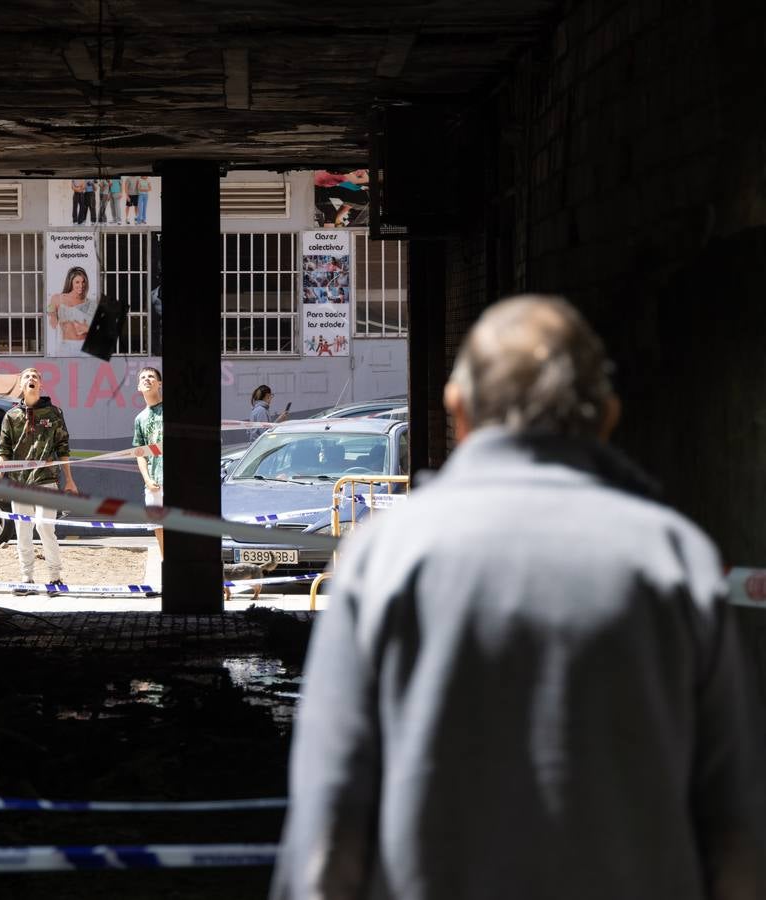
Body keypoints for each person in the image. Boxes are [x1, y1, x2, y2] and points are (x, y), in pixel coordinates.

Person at [271, 294, 766, 900]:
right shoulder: (678, 560)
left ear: (457, 408)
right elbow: (737, 830)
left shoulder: (385, 558)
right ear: (608, 418)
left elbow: (328, 834)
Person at [0, 368, 79, 595]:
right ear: (21, 385)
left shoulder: (54, 413)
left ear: (41, 384)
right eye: (27, 377)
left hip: (46, 480)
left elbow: (63, 447)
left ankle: (55, 577)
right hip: (19, 482)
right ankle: (27, 578)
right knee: (23, 530)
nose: (31, 379)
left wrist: (69, 480)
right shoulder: (11, 416)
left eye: (35, 377)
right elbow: (4, 449)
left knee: (44, 526)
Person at [132, 366, 164, 558]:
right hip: (154, 483)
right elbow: (140, 453)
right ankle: (167, 565)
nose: (147, 379)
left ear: (159, 383)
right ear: (138, 386)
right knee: (159, 528)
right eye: (143, 377)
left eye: (151, 376)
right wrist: (147, 479)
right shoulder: (140, 419)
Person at [47, 266, 97, 353]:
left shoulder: (90, 303)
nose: (81, 285)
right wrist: (52, 314)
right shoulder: (57, 298)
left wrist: (86, 329)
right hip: (66, 346)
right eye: (77, 282)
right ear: (70, 282)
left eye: (83, 282)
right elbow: (51, 319)